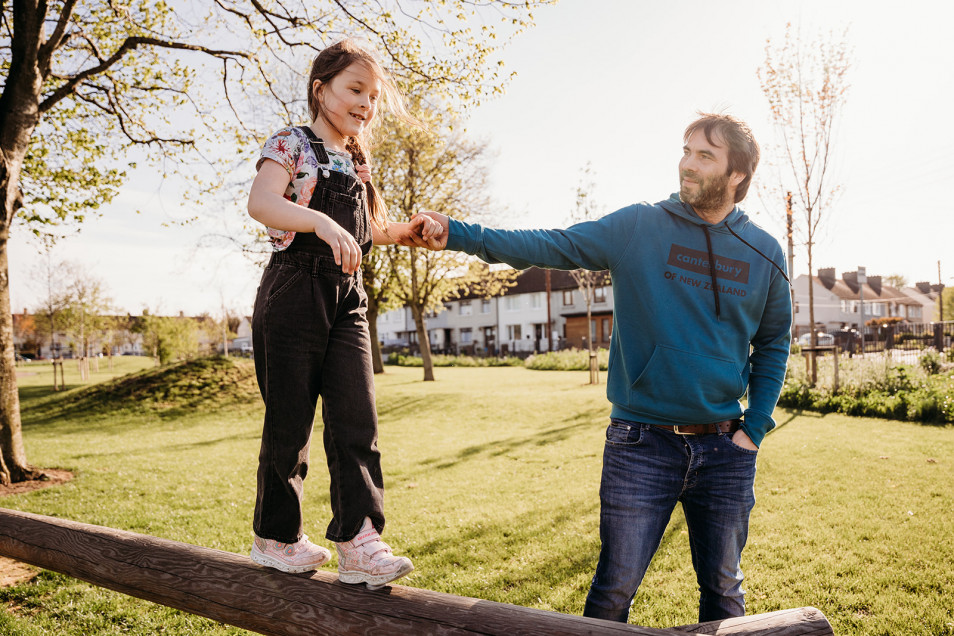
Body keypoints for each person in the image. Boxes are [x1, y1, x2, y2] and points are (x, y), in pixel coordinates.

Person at [404, 113, 792, 622]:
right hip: (641, 444)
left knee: (723, 592)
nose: (686, 164)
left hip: (725, 447)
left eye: (704, 156)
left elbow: (774, 343)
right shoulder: (640, 225)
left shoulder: (764, 251)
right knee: (613, 590)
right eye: (686, 150)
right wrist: (457, 233)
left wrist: (754, 429)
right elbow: (550, 243)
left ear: (737, 174)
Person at [246, 39, 441, 590]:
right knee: (290, 423)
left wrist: (408, 233)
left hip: (348, 298)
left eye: (373, 95)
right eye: (356, 89)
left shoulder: (356, 159)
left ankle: (359, 541)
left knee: (357, 420)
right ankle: (276, 538)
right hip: (293, 291)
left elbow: (369, 229)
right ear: (321, 88)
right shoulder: (291, 143)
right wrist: (319, 223)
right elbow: (262, 203)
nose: (366, 104)